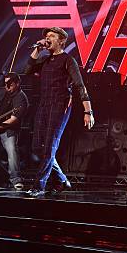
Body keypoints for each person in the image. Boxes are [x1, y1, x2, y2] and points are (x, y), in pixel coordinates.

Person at [24, 27, 94, 197]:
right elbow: (27, 71)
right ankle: (62, 179)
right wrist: (37, 49)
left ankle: (38, 186)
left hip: (60, 104)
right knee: (37, 147)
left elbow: (79, 85)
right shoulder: (45, 61)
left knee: (49, 147)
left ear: (61, 40)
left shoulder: (68, 60)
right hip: (44, 104)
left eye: (51, 36)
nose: (47, 39)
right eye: (46, 36)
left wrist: (88, 111)